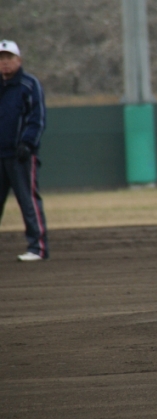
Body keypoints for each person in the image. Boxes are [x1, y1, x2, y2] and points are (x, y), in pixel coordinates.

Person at [0, 40, 49, 261]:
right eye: (1, 59)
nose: (5, 63)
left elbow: (37, 119)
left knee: (28, 202)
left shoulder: (28, 85)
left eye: (9, 58)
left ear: (18, 60)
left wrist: (27, 143)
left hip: (20, 155)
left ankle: (37, 248)